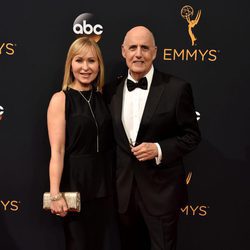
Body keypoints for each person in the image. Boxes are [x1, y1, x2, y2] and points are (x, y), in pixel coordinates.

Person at [104, 26, 201, 250]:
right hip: (124, 194)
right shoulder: (110, 91)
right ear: (123, 51)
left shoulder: (176, 88)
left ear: (155, 52)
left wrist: (158, 149)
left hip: (161, 194)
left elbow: (192, 136)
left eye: (145, 48)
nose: (138, 53)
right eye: (133, 48)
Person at [47, 36, 118, 250]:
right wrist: (54, 194)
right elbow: (57, 151)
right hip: (73, 185)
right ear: (70, 64)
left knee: (97, 243)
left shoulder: (104, 97)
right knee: (77, 244)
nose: (85, 67)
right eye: (79, 61)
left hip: (102, 185)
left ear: (99, 65)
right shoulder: (61, 99)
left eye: (91, 61)